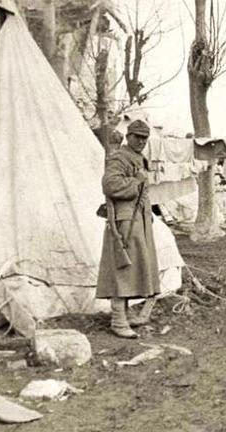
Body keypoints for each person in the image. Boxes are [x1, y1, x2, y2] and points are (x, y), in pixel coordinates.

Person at [96, 120, 160, 338]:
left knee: (135, 266)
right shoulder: (119, 157)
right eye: (137, 137)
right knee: (123, 267)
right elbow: (109, 184)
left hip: (138, 218)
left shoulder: (137, 158)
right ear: (128, 136)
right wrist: (135, 183)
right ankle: (118, 319)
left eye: (145, 138)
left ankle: (124, 312)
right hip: (125, 220)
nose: (141, 141)